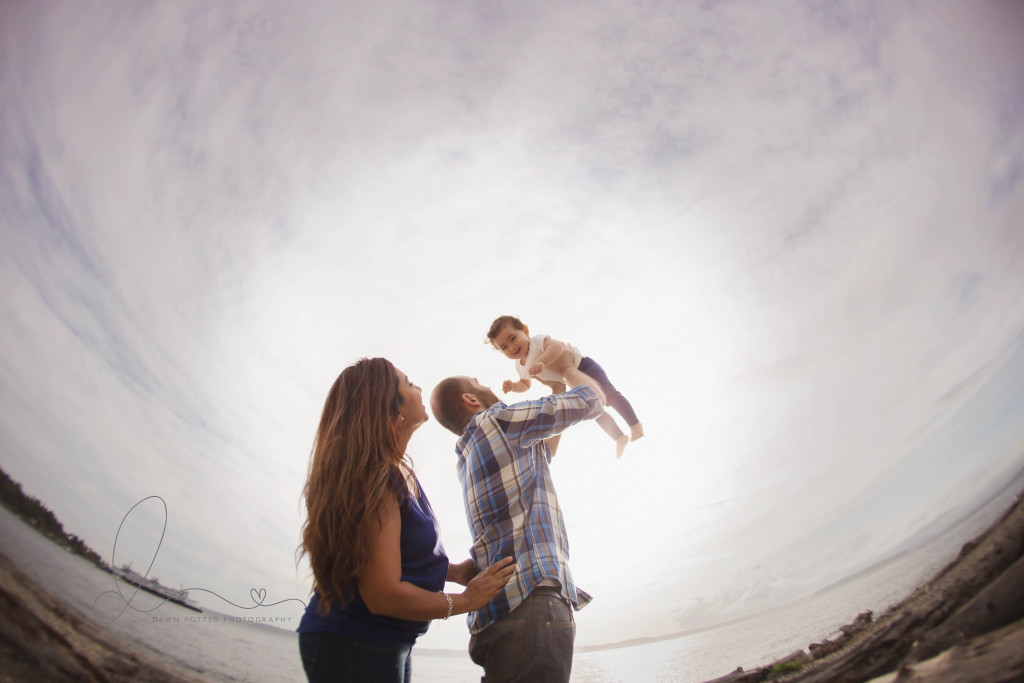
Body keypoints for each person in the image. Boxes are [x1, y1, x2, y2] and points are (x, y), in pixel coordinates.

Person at [296, 357, 515, 683]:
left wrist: (454, 572)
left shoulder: (397, 472)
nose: (420, 388)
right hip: (354, 640)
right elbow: (383, 594)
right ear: (389, 408)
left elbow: (390, 559)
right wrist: (468, 600)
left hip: (385, 640)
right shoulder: (377, 479)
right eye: (409, 383)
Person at [429, 367, 605, 682]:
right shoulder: (499, 421)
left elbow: (543, 451)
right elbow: (591, 400)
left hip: (498, 616)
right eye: (477, 382)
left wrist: (556, 389)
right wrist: (570, 368)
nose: (484, 383)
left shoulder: (469, 454)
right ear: (470, 398)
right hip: (531, 606)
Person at [486, 314, 644, 458]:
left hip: (582, 366)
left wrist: (542, 361)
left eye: (513, 338)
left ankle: (635, 425)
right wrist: (514, 386)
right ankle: (618, 437)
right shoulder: (520, 367)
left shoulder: (537, 342)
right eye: (504, 347)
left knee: (609, 395)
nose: (512, 347)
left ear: (525, 331)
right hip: (571, 381)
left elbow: (557, 347)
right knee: (593, 409)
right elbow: (525, 384)